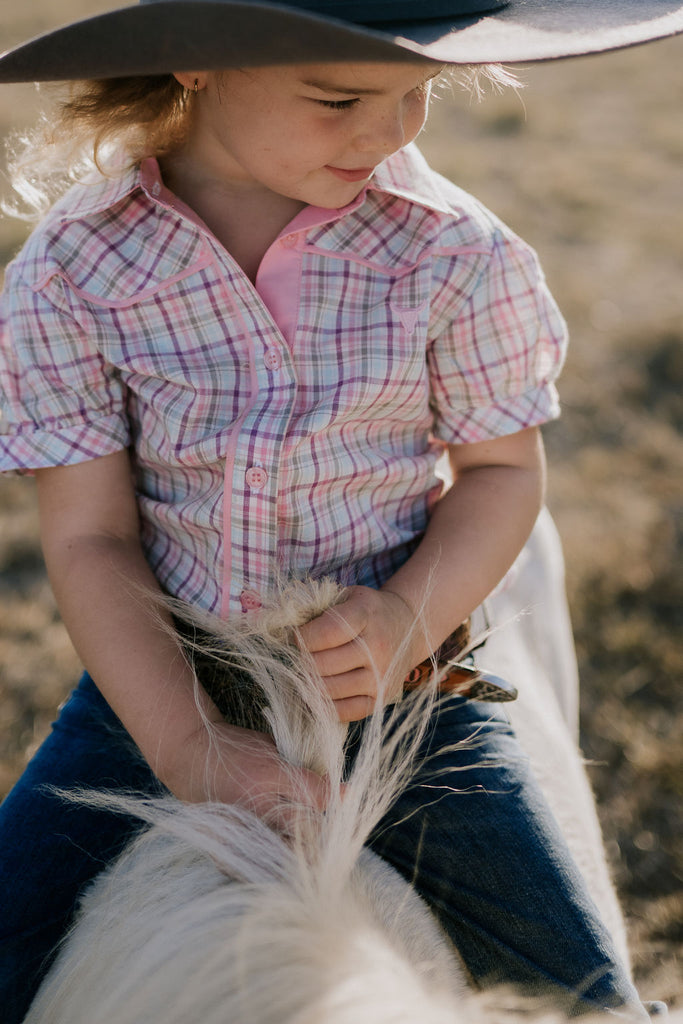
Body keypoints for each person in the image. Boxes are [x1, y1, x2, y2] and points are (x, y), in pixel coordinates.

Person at [1, 2, 681, 1020]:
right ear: (195, 63)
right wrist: (187, 743)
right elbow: (90, 536)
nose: (392, 129)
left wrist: (405, 613)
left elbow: (500, 475)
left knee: (586, 993)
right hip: (167, 678)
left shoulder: (457, 253)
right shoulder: (72, 273)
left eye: (420, 91)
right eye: (340, 98)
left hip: (408, 695)